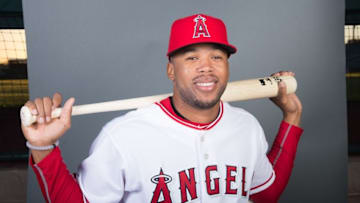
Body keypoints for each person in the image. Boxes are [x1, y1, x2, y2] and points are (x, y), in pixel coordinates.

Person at [21, 14, 303, 203]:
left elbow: (266, 193)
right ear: (171, 70)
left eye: (217, 56)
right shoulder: (123, 135)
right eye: (191, 57)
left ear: (227, 66)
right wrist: (43, 149)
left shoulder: (247, 126)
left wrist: (292, 116)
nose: (206, 66)